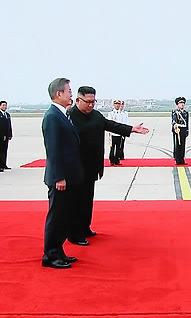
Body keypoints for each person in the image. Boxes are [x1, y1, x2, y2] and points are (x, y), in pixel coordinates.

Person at [68, 87, 149, 245]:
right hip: (76, 166)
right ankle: (74, 233)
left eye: (93, 101)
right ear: (78, 100)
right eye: (88, 102)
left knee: (87, 199)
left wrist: (131, 129)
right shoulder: (70, 116)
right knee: (75, 201)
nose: (91, 105)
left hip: (92, 166)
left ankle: (85, 227)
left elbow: (111, 125)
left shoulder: (96, 115)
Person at [41, 78, 84, 269]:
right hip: (60, 178)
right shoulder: (52, 116)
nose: (71, 94)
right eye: (69, 91)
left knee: (64, 216)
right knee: (56, 217)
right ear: (59, 93)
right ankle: (50, 256)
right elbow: (53, 149)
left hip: (68, 176)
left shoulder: (62, 115)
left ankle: (59, 252)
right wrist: (59, 176)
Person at [172, 96, 189, 165]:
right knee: (178, 145)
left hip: (184, 129)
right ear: (177, 104)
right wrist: (175, 126)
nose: (182, 104)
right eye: (180, 103)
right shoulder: (175, 112)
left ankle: (182, 159)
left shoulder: (185, 112)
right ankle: (178, 160)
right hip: (178, 129)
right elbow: (174, 120)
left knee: (183, 145)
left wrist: (187, 130)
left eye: (183, 103)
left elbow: (187, 122)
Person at [108, 100, 125, 165]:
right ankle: (112, 160)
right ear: (114, 105)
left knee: (118, 147)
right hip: (113, 133)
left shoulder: (122, 114)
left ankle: (117, 160)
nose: (117, 105)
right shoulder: (111, 113)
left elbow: (123, 123)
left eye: (118, 104)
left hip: (119, 133)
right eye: (116, 104)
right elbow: (110, 123)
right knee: (112, 147)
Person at [0, 100, 12, 171]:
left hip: (6, 136)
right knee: (0, 151)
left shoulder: (7, 115)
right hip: (0, 136)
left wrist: (10, 134)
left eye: (5, 105)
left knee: (5, 150)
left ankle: (4, 164)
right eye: (3, 105)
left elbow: (9, 126)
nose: (4, 107)